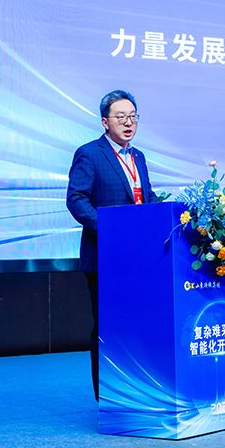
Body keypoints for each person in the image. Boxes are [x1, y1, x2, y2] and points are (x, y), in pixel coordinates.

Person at [66, 89, 158, 401]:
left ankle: (137, 392)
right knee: (108, 327)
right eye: (121, 117)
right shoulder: (90, 154)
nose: (128, 123)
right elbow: (76, 199)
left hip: (138, 259)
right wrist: (109, 230)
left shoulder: (138, 157)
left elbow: (145, 198)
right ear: (105, 122)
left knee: (137, 324)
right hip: (105, 256)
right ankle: (107, 398)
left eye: (133, 117)